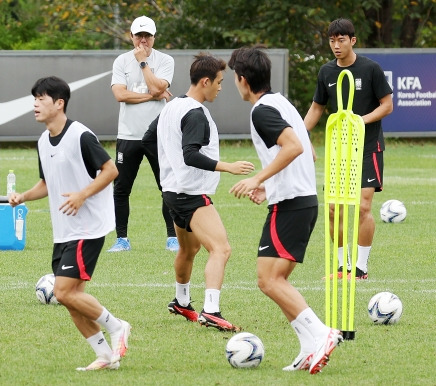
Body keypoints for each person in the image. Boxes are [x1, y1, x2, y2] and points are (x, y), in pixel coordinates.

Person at [228, 45, 342, 374]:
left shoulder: (262, 110)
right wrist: (269, 186)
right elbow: (307, 151)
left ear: (243, 80)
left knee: (268, 280)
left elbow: (292, 147)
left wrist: (257, 179)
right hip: (298, 201)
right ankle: (309, 346)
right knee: (277, 282)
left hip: (292, 206)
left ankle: (322, 334)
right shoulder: (281, 104)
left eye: (235, 78)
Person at [8, 76, 131, 371]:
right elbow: (46, 183)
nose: (35, 104)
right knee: (72, 299)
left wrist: (82, 195)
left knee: (63, 292)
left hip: (87, 227)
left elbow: (111, 170)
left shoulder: (80, 135)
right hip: (64, 230)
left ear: (59, 103)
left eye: (41, 98)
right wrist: (23, 196)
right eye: (34, 99)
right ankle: (105, 357)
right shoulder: (42, 141)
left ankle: (118, 327)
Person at [156, 53, 255, 332]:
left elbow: (155, 136)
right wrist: (228, 167)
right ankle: (211, 310)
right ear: (205, 81)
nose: (221, 88)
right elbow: (190, 154)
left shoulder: (173, 105)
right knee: (221, 249)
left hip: (172, 192)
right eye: (219, 82)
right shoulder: (194, 113)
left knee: (189, 249)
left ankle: (181, 301)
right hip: (190, 193)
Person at [304, 18, 393, 280]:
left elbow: (387, 105)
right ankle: (344, 267)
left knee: (363, 207)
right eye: (332, 40)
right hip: (339, 151)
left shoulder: (371, 69)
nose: (336, 45)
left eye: (341, 40)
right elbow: (316, 108)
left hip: (368, 147)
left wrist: (360, 122)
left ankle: (361, 268)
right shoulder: (326, 72)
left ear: (353, 41)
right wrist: (300, 135)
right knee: (334, 209)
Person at [109, 15, 178, 252]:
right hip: (128, 135)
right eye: (139, 35)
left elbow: (160, 86)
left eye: (147, 36)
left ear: (154, 37)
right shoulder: (120, 61)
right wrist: (152, 95)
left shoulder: (165, 60)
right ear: (131, 36)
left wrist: (143, 64)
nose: (143, 41)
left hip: (159, 134)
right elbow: (120, 95)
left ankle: (172, 237)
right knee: (121, 188)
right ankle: (121, 239)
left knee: (167, 185)